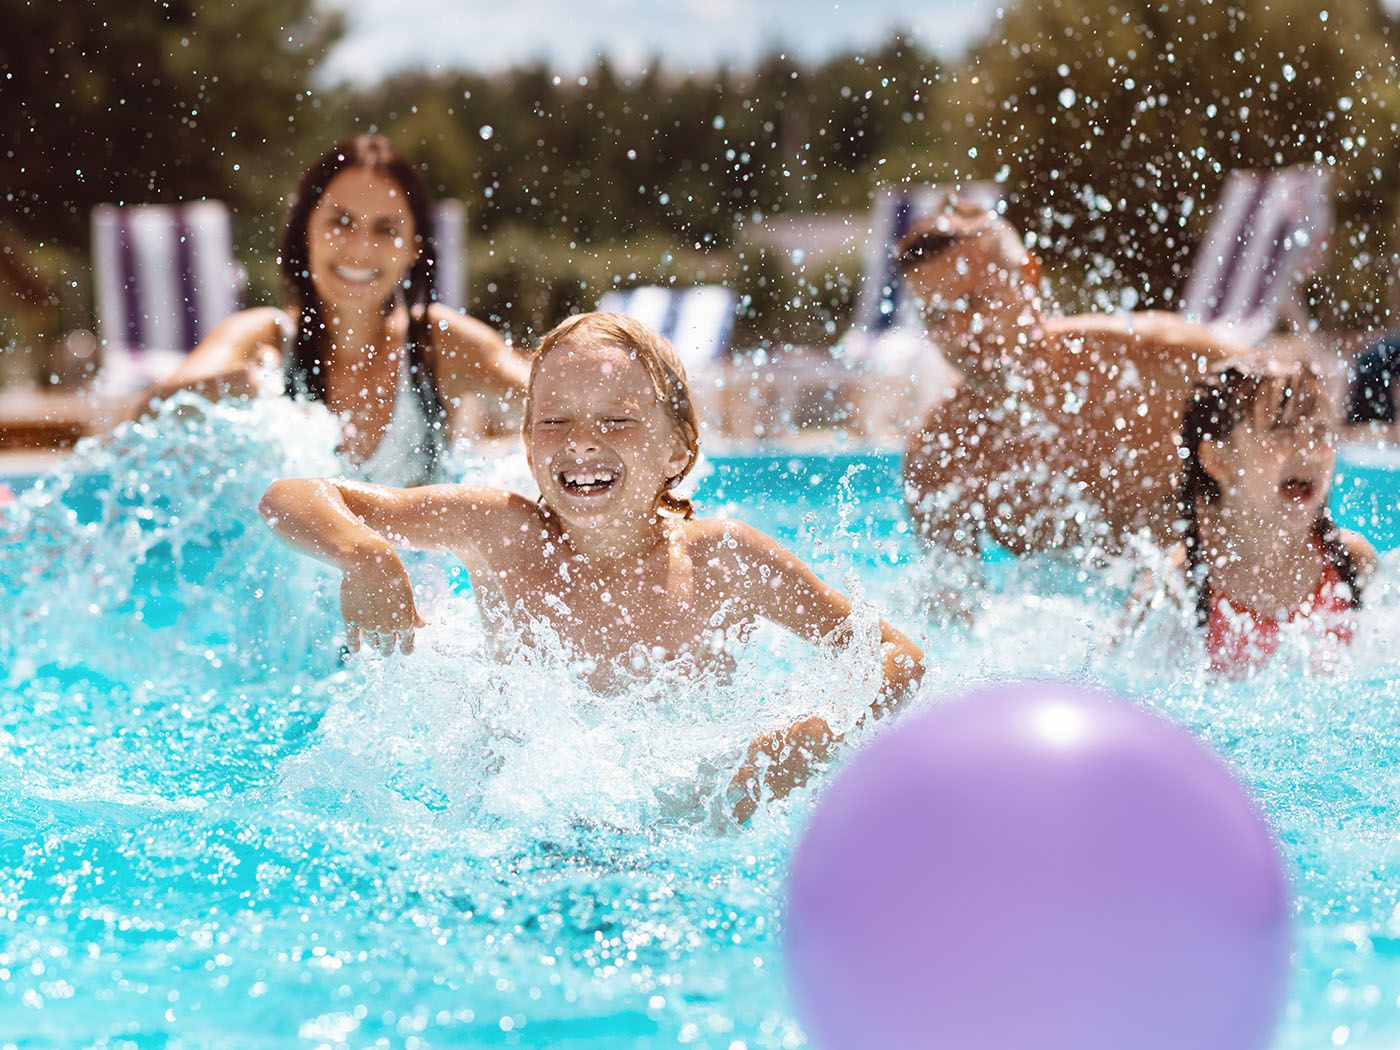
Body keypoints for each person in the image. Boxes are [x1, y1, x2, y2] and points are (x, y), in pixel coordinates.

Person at [258, 312, 926, 821]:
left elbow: (896, 657)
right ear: (525, 443)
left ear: (678, 447)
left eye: (618, 419)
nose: (582, 441)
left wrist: (798, 747)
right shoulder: (501, 534)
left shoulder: (726, 561)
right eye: (554, 420)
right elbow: (292, 495)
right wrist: (364, 554)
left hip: (684, 837)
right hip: (518, 832)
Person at [142, 135, 528, 486]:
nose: (360, 248)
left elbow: (554, 394)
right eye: (341, 222)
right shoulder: (264, 337)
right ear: (305, 228)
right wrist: (236, 385)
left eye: (386, 229)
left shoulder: (437, 343)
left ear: (415, 247)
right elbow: (145, 415)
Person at [899, 200, 1237, 555]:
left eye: (974, 302)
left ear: (1028, 278)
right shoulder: (940, 459)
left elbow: (1291, 398)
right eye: (936, 317)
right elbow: (950, 606)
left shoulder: (1156, 361)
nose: (959, 333)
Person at [1141, 360, 1376, 676]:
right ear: (1218, 459)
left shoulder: (1351, 564)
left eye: (1320, 432)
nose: (1308, 449)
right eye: (1283, 431)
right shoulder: (1182, 582)